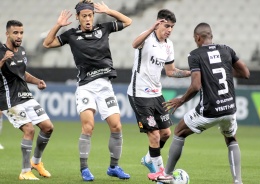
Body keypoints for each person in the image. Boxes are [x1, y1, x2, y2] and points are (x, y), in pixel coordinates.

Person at [148, 22, 250, 184]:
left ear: (197, 38)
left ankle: (167, 174)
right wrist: (224, 72)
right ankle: (238, 181)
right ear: (211, 36)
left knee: (180, 130)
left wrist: (181, 100)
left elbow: (196, 86)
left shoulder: (195, 55)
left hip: (210, 109)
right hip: (230, 108)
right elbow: (245, 73)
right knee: (231, 138)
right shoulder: (226, 50)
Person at [42, 0, 132, 181]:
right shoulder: (71, 35)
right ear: (78, 18)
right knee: (88, 126)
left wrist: (109, 11)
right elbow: (47, 43)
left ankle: (114, 167)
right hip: (86, 87)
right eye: (84, 16)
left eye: (90, 15)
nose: (88, 19)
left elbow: (128, 21)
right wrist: (58, 25)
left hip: (105, 86)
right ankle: (84, 169)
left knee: (117, 126)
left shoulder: (103, 28)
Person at [127, 9, 191, 177]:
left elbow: (170, 71)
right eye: (167, 25)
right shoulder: (147, 37)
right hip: (139, 93)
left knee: (166, 133)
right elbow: (134, 44)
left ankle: (149, 159)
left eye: (172, 27)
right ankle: (161, 173)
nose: (169, 29)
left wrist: (191, 73)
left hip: (156, 94)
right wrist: (150, 29)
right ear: (158, 23)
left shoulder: (168, 45)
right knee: (154, 135)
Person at [0, 20, 54, 180]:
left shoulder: (22, 51)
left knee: (48, 127)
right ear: (7, 34)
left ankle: (36, 162)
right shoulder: (0, 51)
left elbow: (22, 74)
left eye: (21, 33)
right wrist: (3, 60)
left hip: (25, 96)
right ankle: (25, 171)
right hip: (10, 99)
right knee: (29, 130)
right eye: (15, 32)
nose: (19, 36)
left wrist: (37, 81)